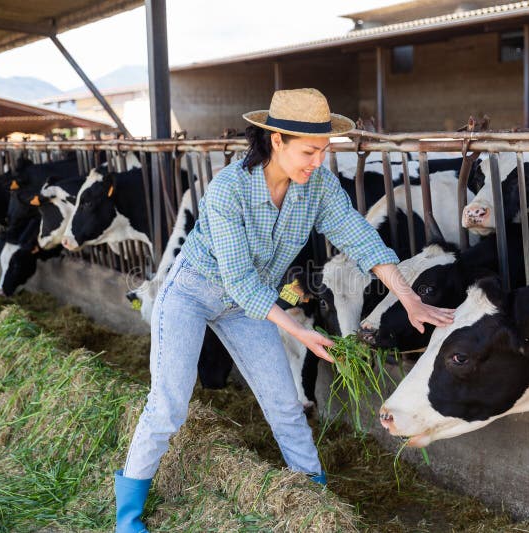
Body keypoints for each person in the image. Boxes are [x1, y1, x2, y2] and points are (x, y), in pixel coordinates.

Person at [114, 88, 454, 532]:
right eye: (310, 151)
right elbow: (238, 279)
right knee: (168, 407)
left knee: (286, 406)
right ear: (276, 140)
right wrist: (300, 331)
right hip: (193, 293)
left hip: (246, 307)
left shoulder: (318, 186)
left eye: (324, 151)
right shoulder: (228, 189)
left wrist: (407, 295)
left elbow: (359, 237)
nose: (318, 161)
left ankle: (317, 508)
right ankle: (127, 519)